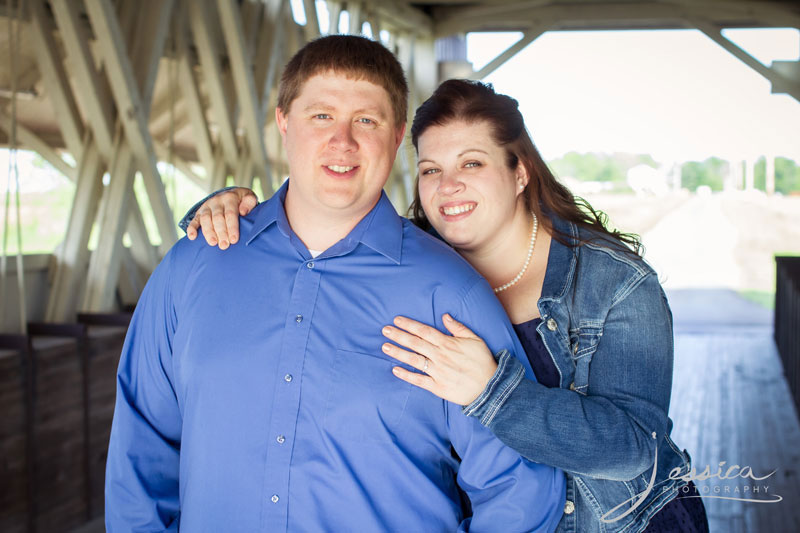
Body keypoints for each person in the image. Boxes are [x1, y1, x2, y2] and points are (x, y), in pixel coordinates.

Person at [186, 79, 709, 532]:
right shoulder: (407, 266)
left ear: (520, 171)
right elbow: (312, 238)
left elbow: (634, 447)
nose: (448, 185)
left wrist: (492, 393)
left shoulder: (614, 284)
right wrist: (230, 206)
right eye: (431, 169)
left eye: (472, 163)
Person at [105, 36, 565, 532]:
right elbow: (140, 457)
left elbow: (520, 487)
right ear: (284, 123)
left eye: (366, 120)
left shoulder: (450, 294)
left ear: (396, 137)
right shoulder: (193, 266)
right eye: (321, 116)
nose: (342, 142)